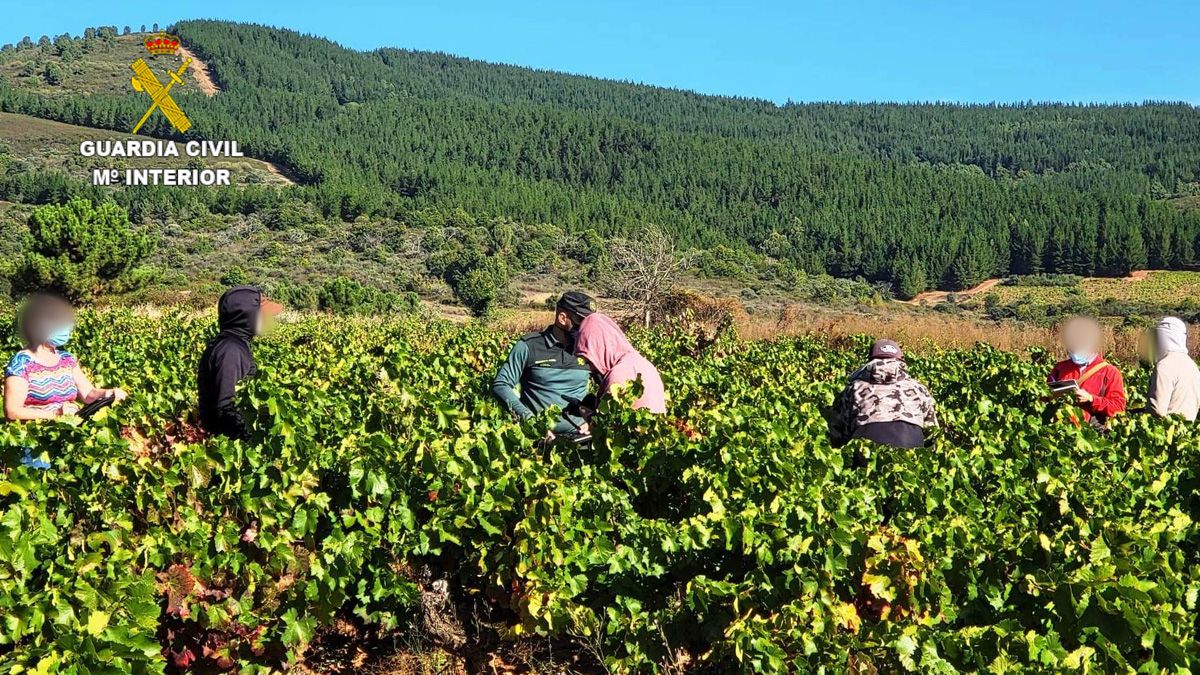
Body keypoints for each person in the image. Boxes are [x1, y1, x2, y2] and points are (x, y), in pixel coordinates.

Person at [4, 294, 128, 422]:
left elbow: (88, 393)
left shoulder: (66, 359)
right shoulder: (21, 363)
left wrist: (108, 393)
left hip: (69, 427)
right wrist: (56, 414)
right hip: (39, 434)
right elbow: (12, 411)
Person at [491, 291, 594, 435]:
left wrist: (593, 420)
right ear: (562, 318)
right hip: (538, 443)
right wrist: (531, 422)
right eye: (581, 322)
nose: (587, 329)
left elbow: (606, 388)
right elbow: (501, 385)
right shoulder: (529, 346)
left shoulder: (588, 349)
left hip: (581, 440)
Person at [197, 286, 282, 438]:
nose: (269, 319)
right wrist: (247, 440)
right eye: (263, 315)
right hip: (232, 444)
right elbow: (226, 407)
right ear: (246, 316)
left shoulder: (233, 344)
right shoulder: (231, 351)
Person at [828, 339, 938, 448]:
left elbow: (836, 432)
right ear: (901, 360)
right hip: (912, 452)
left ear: (870, 360)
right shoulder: (919, 388)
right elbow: (931, 432)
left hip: (866, 450)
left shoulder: (854, 388)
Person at [573, 312, 666, 414]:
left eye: (590, 361)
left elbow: (610, 426)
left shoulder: (617, 377)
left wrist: (589, 417)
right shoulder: (643, 363)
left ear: (600, 348)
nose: (591, 368)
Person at [1047, 316, 1126, 426]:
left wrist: (1091, 399)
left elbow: (1118, 407)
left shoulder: (1110, 372)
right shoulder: (1059, 368)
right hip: (1060, 430)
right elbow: (1045, 396)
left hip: (1092, 431)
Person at [1146, 316, 1200, 421]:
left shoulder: (1164, 365)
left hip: (1168, 431)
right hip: (1186, 431)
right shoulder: (1192, 365)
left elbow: (1158, 410)